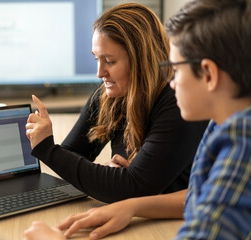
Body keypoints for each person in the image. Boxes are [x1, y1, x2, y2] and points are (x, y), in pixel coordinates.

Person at [24, 0, 251, 239]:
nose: (171, 80)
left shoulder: (241, 142)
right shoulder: (220, 127)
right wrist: (131, 204)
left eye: (176, 68)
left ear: (209, 74)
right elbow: (198, 196)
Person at [26, 3, 208, 204]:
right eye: (97, 59)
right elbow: (71, 155)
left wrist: (46, 148)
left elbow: (131, 188)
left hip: (171, 225)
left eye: (110, 61)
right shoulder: (109, 95)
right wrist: (108, 177)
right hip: (132, 216)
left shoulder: (177, 102)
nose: (100, 72)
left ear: (141, 60)